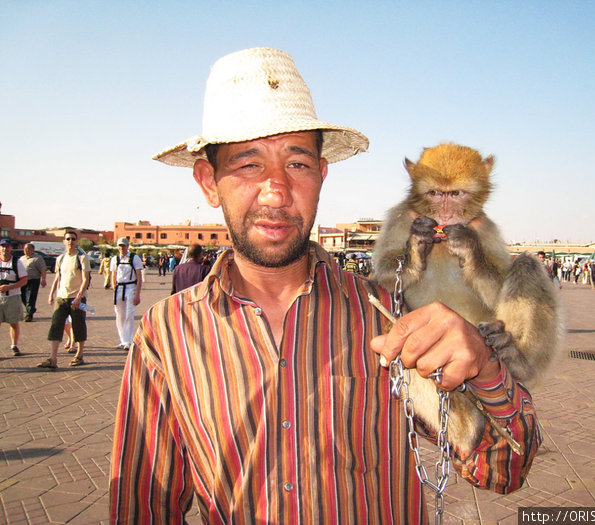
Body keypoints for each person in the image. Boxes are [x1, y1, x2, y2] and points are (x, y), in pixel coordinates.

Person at [110, 47, 539, 523]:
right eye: (249, 164)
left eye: (297, 164)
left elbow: (503, 472)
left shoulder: (387, 312)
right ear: (209, 182)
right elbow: (141, 507)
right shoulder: (165, 336)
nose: (277, 190)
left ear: (321, 174)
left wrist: (483, 368)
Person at [38, 231, 90, 368]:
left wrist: (79, 296)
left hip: (77, 299)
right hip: (62, 298)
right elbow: (57, 278)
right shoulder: (60, 259)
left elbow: (86, 279)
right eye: (68, 239)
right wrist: (51, 294)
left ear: (76, 241)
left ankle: (79, 355)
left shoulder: (82, 258)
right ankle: (53, 358)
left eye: (73, 239)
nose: (70, 241)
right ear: (64, 241)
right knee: (56, 326)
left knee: (79, 326)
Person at [110, 238, 143, 350]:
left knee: (129, 314)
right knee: (119, 315)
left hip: (130, 287)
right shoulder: (115, 259)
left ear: (128, 246)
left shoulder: (134, 258)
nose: (121, 248)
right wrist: (113, 285)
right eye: (120, 246)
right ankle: (122, 340)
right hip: (119, 288)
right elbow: (113, 274)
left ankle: (128, 340)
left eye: (123, 246)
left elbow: (139, 277)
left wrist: (137, 294)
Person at [0, 238, 28, 356]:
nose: (5, 249)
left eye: (7, 246)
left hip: (13, 296)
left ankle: (14, 345)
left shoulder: (17, 262)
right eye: (2, 246)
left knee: (13, 323)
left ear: (11, 248)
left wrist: (9, 287)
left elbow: (24, 280)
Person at [19, 242, 47, 322]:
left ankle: (29, 315)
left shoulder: (37, 258)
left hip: (33, 280)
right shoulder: (22, 259)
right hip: (23, 281)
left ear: (33, 250)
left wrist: (43, 279)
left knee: (30, 297)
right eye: (25, 249)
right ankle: (31, 309)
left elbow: (43, 269)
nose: (26, 250)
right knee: (22, 297)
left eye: (28, 249)